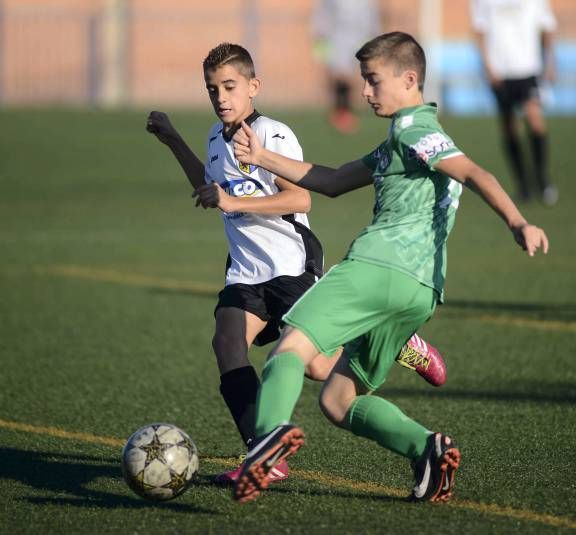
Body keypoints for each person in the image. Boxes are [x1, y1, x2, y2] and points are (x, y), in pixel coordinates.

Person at [230, 31, 549, 504]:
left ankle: (266, 441)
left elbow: (475, 173)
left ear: (409, 79)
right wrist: (262, 156)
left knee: (289, 351)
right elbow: (335, 180)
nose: (364, 91)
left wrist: (518, 221)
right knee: (339, 401)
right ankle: (427, 448)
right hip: (420, 293)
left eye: (373, 81)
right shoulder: (402, 143)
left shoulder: (413, 131)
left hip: (376, 268)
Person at [145, 42, 444, 485]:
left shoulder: (273, 133)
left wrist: (232, 201)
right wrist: (173, 141)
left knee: (320, 368)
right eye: (213, 89)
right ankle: (265, 455)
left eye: (230, 86)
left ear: (254, 87)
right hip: (246, 272)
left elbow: (300, 197)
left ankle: (397, 340)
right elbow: (210, 186)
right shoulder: (214, 137)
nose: (221, 97)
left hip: (290, 265)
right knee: (227, 345)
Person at [471, 0, 559, 206]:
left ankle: (542, 178)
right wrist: (487, 66)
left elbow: (547, 27)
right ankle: (523, 185)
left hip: (529, 69)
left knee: (535, 119)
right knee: (509, 127)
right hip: (500, 72)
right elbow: (479, 31)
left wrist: (551, 61)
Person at [312, 0, 380, 134]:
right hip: (337, 38)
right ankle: (341, 111)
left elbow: (372, 15)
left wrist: (373, 35)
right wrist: (319, 34)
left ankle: (345, 110)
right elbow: (322, 13)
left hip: (358, 37)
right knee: (339, 75)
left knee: (352, 75)